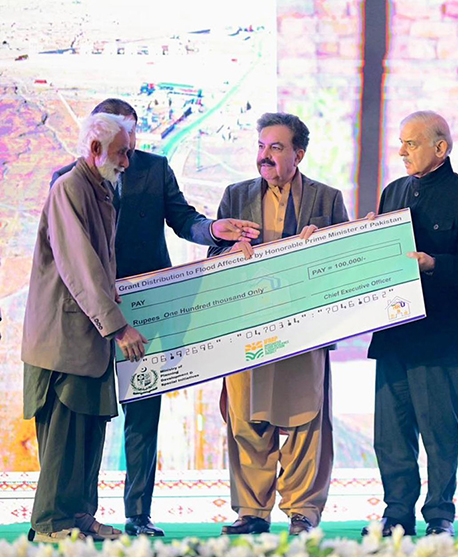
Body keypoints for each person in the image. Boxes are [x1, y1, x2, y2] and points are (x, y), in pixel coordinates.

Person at [51, 99, 260, 537]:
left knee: (144, 410)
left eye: (133, 134)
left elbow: (183, 219)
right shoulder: (68, 180)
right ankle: (82, 513)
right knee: (89, 413)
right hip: (94, 312)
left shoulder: (155, 168)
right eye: (122, 137)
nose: (129, 147)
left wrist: (213, 229)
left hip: (149, 309)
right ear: (101, 137)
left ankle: (138, 514)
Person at [209, 112, 348, 536]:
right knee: (245, 419)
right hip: (248, 326)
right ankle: (252, 511)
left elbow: (345, 262)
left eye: (275, 147)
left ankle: (303, 510)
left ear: (298, 154)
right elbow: (214, 259)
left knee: (308, 420)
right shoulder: (235, 195)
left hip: (305, 329)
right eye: (261, 146)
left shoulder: (327, 198)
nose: (264, 156)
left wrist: (323, 246)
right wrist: (229, 253)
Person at [363, 111, 458, 538]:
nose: (401, 151)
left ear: (440, 148)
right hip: (394, 334)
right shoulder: (393, 192)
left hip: (440, 338)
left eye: (411, 143)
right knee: (391, 435)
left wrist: (433, 264)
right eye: (401, 142)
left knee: (439, 435)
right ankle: (396, 513)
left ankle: (440, 516)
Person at [22, 113, 148, 542]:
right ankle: (52, 522)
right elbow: (81, 268)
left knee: (88, 433)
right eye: (121, 154)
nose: (126, 163)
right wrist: (119, 329)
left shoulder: (100, 190)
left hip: (87, 340)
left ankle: (79, 516)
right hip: (63, 341)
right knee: (64, 435)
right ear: (95, 150)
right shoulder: (70, 188)